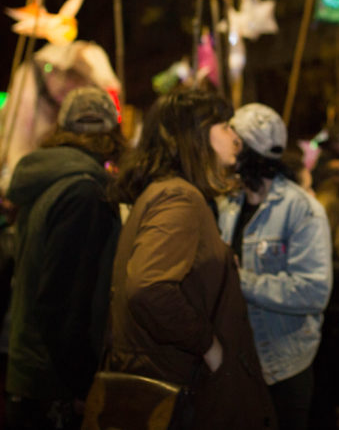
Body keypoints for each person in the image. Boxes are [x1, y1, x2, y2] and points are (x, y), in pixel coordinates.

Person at [105, 89, 276, 429]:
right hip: (177, 389)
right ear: (196, 133)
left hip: (171, 380)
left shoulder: (170, 192)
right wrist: (208, 345)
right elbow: (149, 288)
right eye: (225, 126)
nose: (234, 137)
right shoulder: (179, 197)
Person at [4, 86, 127, 429]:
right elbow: (63, 303)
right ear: (112, 134)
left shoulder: (48, 181)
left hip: (33, 378)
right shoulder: (83, 193)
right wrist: (82, 383)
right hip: (54, 386)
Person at [217, 102, 332, 429]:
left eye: (233, 141)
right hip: (239, 363)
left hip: (284, 366)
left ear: (247, 151)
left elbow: (313, 291)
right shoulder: (228, 205)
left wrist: (242, 280)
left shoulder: (302, 210)